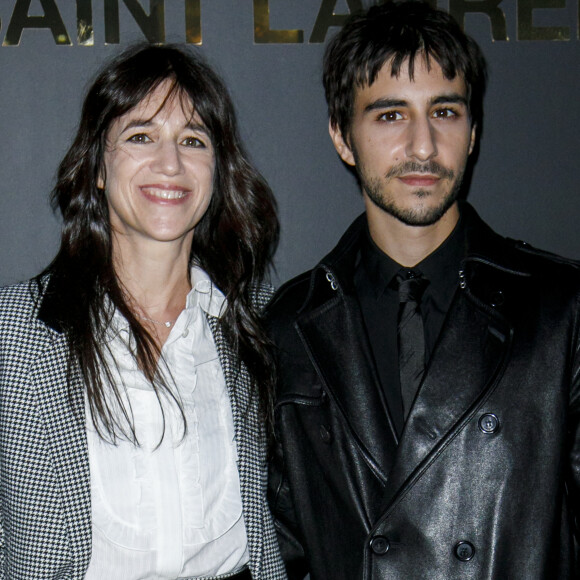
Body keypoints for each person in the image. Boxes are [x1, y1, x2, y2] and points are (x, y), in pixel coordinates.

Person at [265, 2, 580, 579]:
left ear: (473, 128)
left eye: (444, 112)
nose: (424, 147)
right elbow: (279, 550)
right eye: (390, 116)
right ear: (342, 136)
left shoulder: (562, 309)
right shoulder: (289, 327)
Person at [0, 45, 287, 580]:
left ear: (218, 170)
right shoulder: (13, 332)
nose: (170, 164)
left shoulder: (267, 326)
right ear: (99, 169)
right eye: (140, 136)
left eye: (193, 140)